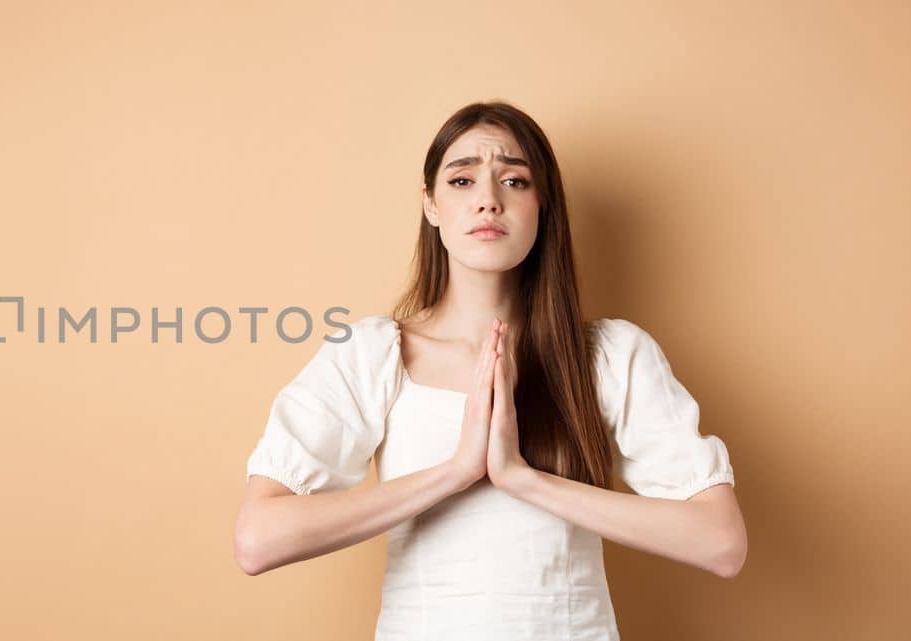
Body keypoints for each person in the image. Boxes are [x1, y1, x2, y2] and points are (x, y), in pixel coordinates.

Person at [232, 101, 747, 640]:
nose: (488, 201)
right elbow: (259, 540)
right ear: (429, 204)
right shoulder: (371, 353)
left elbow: (720, 542)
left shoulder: (611, 356)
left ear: (542, 205)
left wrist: (522, 478)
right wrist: (454, 472)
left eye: (515, 181)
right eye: (461, 180)